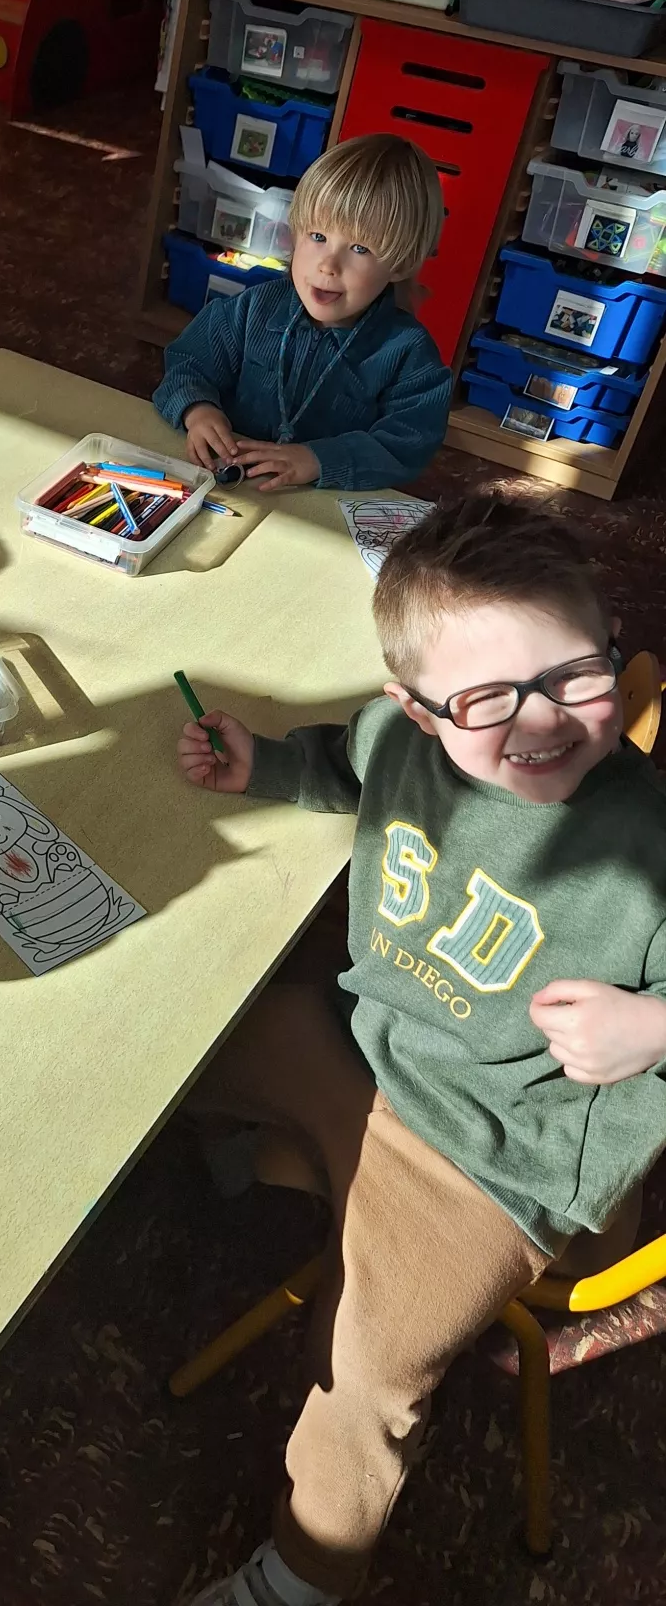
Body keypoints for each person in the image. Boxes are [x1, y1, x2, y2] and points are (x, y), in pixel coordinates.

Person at [175, 497, 666, 1606]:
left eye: (576, 675)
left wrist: (653, 1026)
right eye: (487, 697)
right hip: (374, 1047)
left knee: (365, 1376)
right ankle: (269, 1156)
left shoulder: (646, 847)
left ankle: (303, 1578)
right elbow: (344, 761)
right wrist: (264, 764)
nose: (540, 719)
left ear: (611, 643)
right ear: (416, 707)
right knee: (167, 1053)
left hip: (493, 1160)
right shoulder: (395, 738)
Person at [153, 134, 451, 491]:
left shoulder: (409, 353)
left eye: (359, 248)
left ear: (401, 264)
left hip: (320, 500)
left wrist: (318, 460)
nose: (328, 265)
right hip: (228, 484)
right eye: (318, 236)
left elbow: (408, 443)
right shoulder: (253, 308)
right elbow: (188, 362)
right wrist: (197, 409)